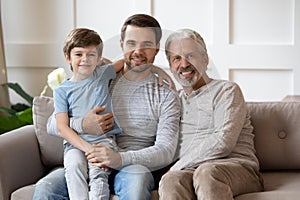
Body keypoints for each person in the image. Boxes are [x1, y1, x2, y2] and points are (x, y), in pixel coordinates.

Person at [32, 14, 181, 200]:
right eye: (131, 43)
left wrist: (118, 159)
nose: (138, 51)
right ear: (121, 44)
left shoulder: (166, 95)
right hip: (88, 157)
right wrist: (83, 125)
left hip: (131, 166)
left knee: (136, 184)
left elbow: (166, 150)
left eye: (147, 45)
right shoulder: (99, 78)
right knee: (46, 188)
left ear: (156, 50)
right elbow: (52, 125)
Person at [158, 28, 264, 199]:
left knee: (207, 172)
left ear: (205, 59)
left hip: (236, 167)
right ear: (171, 66)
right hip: (191, 170)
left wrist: (178, 165)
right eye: (176, 58)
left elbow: (223, 141)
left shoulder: (227, 91)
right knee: (171, 180)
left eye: (190, 55)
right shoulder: (174, 101)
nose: (184, 64)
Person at [53, 28, 123, 200]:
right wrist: (88, 149)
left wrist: (158, 71)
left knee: (98, 175)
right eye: (78, 54)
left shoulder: (103, 73)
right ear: (67, 57)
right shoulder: (61, 91)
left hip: (104, 142)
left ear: (98, 58)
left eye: (91, 55)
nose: (85, 59)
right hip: (75, 145)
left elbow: (127, 61)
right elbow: (62, 127)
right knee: (74, 165)